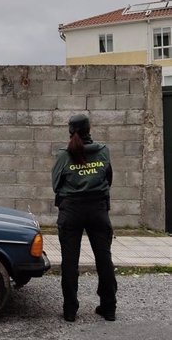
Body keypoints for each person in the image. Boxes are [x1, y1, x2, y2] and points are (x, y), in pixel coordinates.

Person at [51, 114, 117, 322]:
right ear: (90, 129)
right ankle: (109, 308)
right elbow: (109, 178)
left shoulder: (64, 155)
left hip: (71, 211)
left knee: (70, 262)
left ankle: (70, 310)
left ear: (71, 131)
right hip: (98, 209)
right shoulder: (103, 151)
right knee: (104, 258)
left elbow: (55, 184)